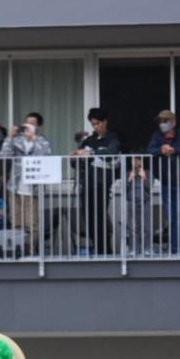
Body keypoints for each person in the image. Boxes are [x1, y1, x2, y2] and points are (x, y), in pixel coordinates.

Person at [71, 109, 122, 255]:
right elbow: (77, 162)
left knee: (100, 217)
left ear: (105, 121)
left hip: (102, 183)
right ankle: (98, 248)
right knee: (88, 217)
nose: (95, 127)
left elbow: (111, 153)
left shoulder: (113, 137)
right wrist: (75, 156)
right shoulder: (89, 140)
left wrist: (91, 153)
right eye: (93, 124)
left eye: (98, 123)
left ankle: (106, 250)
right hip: (86, 183)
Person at [1, 112, 52, 255]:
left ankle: (31, 252)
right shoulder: (17, 140)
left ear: (38, 126)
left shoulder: (42, 141)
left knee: (32, 225)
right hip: (15, 187)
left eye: (32, 123)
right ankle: (19, 252)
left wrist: (34, 138)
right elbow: (4, 155)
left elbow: (46, 154)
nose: (28, 126)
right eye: (26, 123)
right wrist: (10, 137)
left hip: (33, 189)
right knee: (16, 223)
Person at [152, 109, 180, 253]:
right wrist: (161, 150)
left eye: (165, 121)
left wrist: (174, 150)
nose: (162, 124)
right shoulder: (157, 137)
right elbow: (148, 150)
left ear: (173, 122)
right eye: (160, 121)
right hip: (166, 182)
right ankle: (174, 248)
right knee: (171, 217)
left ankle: (176, 247)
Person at [124, 156, 155, 255]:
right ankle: (133, 249)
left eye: (138, 160)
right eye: (134, 160)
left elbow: (150, 187)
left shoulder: (148, 173)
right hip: (131, 202)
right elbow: (124, 189)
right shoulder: (128, 173)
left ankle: (147, 248)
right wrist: (130, 178)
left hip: (145, 202)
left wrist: (144, 177)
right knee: (133, 227)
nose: (136, 162)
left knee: (146, 226)